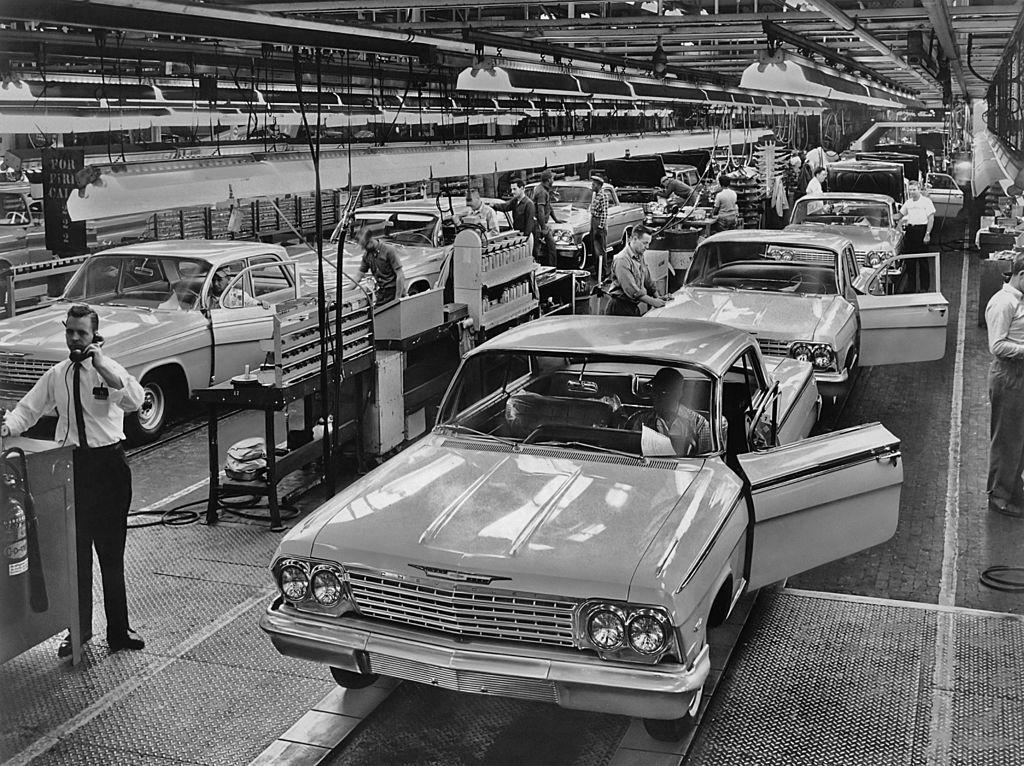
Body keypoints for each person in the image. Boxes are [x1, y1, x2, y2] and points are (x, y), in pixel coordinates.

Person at [1, 304, 146, 659]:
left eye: (82, 333)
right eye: (70, 332)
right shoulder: (58, 374)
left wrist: (102, 365)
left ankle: (119, 630)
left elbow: (134, 400)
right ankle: (79, 630)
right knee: (75, 555)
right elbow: (29, 409)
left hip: (108, 466)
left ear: (94, 336)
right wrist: (7, 427)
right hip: (73, 468)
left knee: (111, 554)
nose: (75, 339)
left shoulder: (108, 371)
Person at [984, 253, 1024, 517]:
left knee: (1019, 438)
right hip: (1008, 376)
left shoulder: (1020, 301)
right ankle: (999, 496)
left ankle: (1013, 488)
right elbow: (997, 345)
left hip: (1020, 374)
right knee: (1007, 438)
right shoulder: (1003, 302)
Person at [626, 367, 712, 457]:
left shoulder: (699, 424)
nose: (656, 397)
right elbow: (632, 452)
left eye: (664, 392)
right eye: (654, 391)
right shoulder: (641, 421)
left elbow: (706, 460)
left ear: (678, 394)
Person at [604, 225, 666, 316]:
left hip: (632, 308)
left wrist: (658, 297)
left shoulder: (639, 255)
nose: (647, 247)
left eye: (649, 243)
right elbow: (633, 291)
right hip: (619, 309)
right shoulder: (622, 260)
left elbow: (647, 280)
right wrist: (655, 302)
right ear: (635, 239)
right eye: (645, 243)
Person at [897, 181, 936, 291]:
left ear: (919, 189)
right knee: (910, 262)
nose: (912, 192)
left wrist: (927, 234)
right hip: (910, 232)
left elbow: (931, 218)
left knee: (923, 262)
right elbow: (900, 215)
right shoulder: (908, 203)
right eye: (910, 190)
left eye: (914, 189)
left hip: (921, 231)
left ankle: (924, 288)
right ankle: (911, 288)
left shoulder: (926, 202)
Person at [351, 227, 405, 306]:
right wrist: (343, 292)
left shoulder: (389, 250)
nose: (364, 249)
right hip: (382, 292)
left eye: (365, 246)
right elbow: (358, 276)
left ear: (371, 241)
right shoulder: (367, 256)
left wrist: (397, 300)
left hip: (394, 291)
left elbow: (400, 276)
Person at [531, 169, 563, 266]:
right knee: (545, 247)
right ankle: (551, 268)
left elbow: (548, 206)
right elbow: (540, 211)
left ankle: (545, 266)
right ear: (548, 180)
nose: (553, 180)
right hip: (538, 224)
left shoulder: (543, 190)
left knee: (540, 247)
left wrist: (555, 219)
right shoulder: (541, 192)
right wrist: (543, 228)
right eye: (552, 178)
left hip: (539, 224)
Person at [589, 174, 609, 274]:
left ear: (599, 185)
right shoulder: (596, 195)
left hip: (598, 223)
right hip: (594, 221)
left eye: (594, 184)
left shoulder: (603, 196)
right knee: (595, 249)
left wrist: (600, 227)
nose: (592, 185)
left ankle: (603, 272)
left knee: (600, 249)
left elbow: (604, 214)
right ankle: (597, 271)